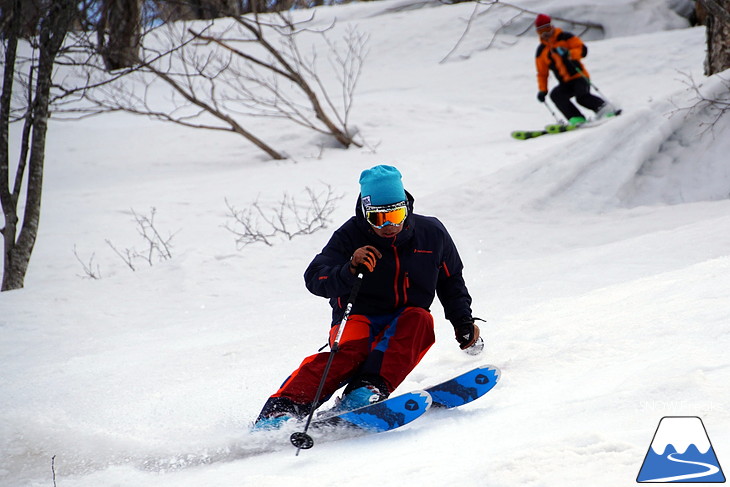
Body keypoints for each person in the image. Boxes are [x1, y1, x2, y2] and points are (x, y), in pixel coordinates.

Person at [253, 164, 483, 430]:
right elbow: (314, 277)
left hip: (405, 317)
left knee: (420, 320)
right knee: (352, 352)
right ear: (365, 213)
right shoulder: (350, 235)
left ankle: (364, 392)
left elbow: (450, 280)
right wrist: (349, 268)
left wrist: (462, 322)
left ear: (407, 207)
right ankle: (282, 408)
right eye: (378, 219)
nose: (389, 226)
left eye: (395, 215)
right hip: (359, 315)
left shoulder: (432, 233)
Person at [534, 13, 617, 126]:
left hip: (579, 76)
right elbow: (542, 73)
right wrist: (542, 90)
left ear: (551, 26)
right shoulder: (541, 51)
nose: (545, 34)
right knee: (556, 95)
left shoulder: (565, 37)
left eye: (547, 29)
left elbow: (583, 50)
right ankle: (576, 118)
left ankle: (605, 109)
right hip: (565, 82)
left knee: (582, 97)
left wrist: (569, 53)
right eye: (541, 31)